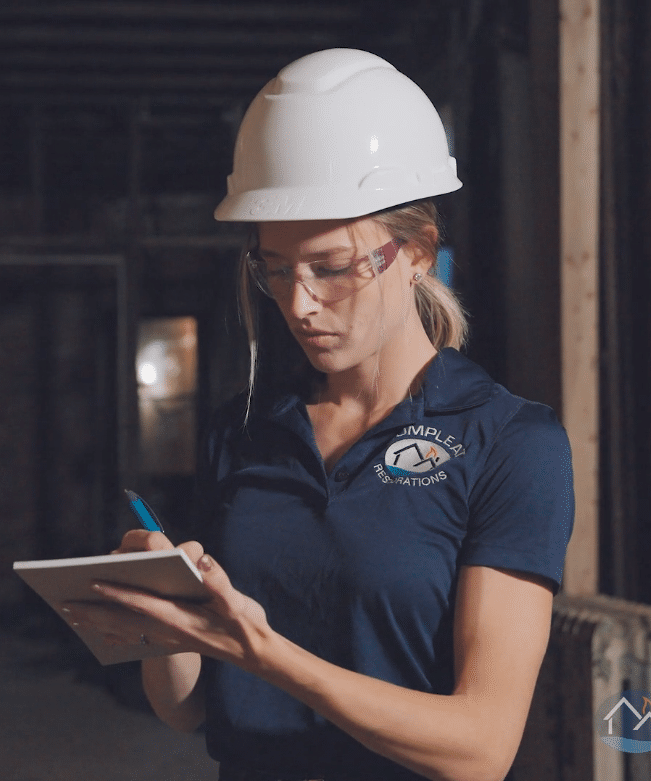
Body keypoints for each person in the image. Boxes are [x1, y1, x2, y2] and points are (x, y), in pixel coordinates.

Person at [68, 49, 574, 781]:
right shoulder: (243, 431)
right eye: (276, 268)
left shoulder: (510, 444)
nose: (298, 303)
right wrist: (166, 619)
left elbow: (482, 746)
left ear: (419, 253)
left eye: (330, 267)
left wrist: (267, 654)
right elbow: (190, 710)